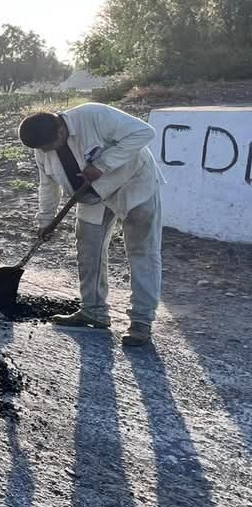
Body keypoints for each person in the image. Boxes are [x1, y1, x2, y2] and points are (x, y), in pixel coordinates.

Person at [18, 103, 164, 346]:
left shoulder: (94, 115)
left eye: (48, 146)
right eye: (41, 149)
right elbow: (48, 184)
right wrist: (45, 220)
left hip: (133, 184)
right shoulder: (42, 147)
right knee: (88, 248)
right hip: (90, 194)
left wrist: (102, 165)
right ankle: (94, 311)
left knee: (141, 251)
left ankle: (141, 321)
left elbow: (145, 133)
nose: (45, 152)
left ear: (61, 131)